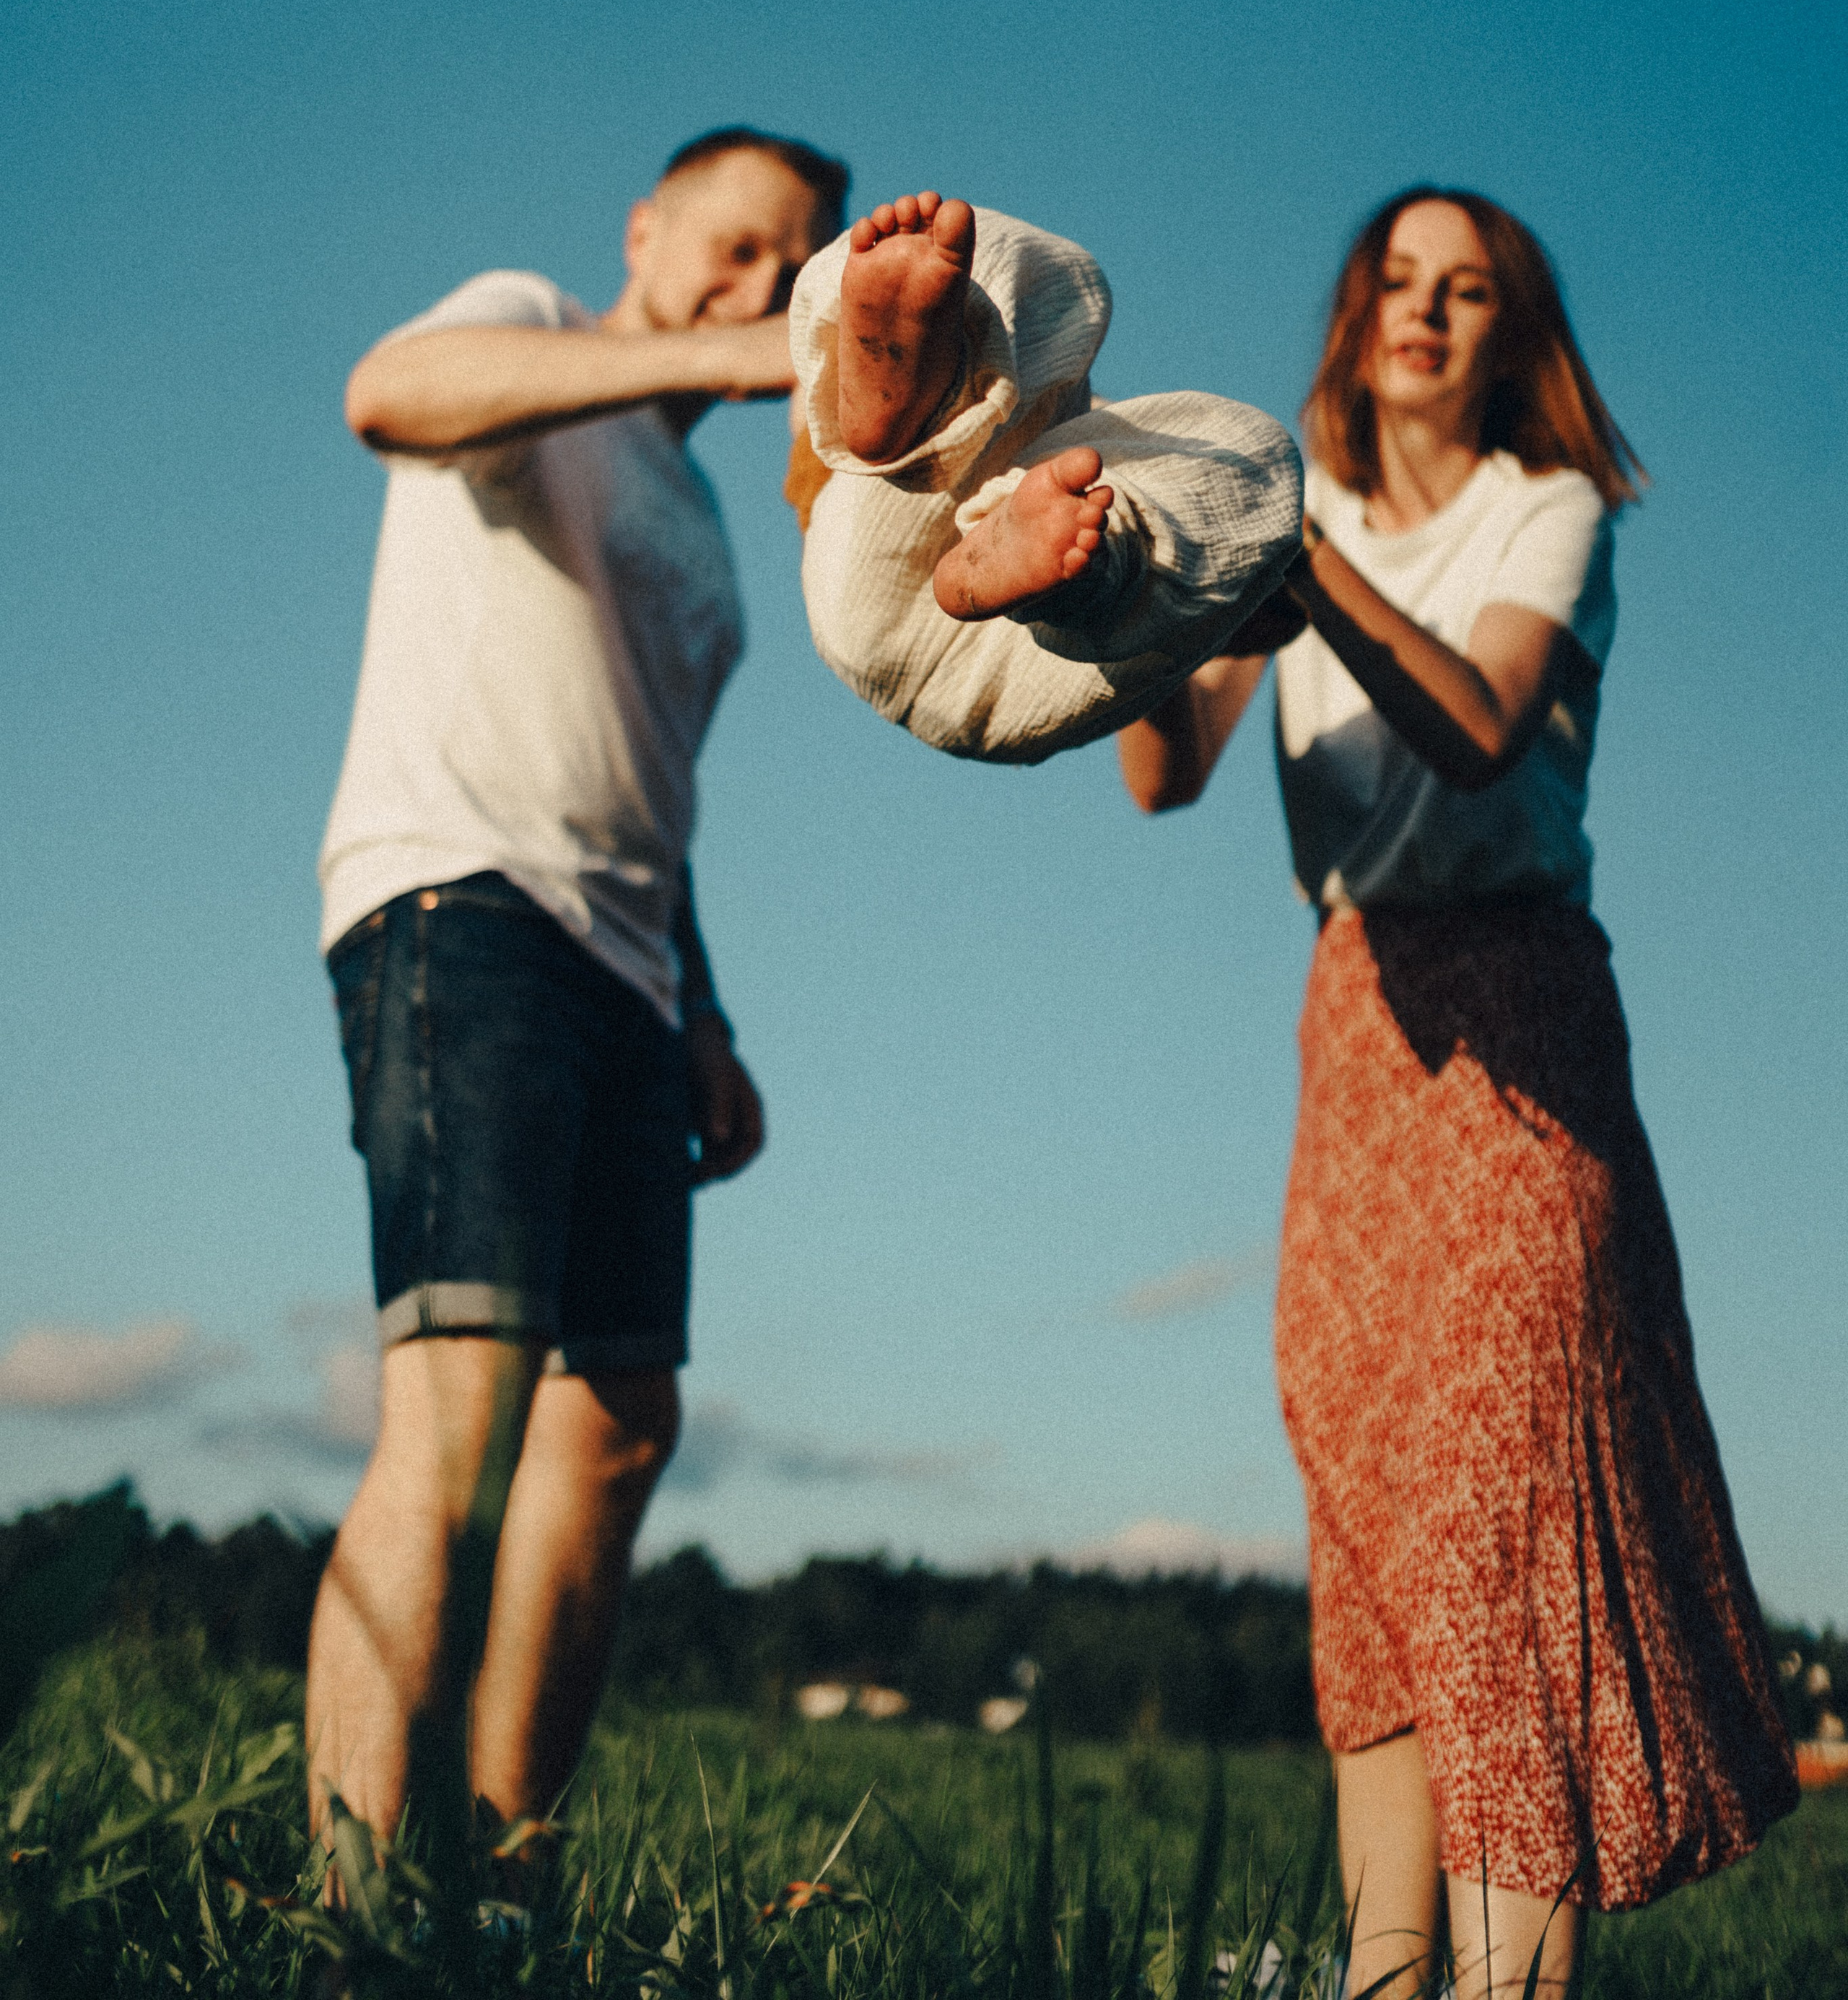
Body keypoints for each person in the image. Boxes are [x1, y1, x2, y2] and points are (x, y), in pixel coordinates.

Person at [1118, 191, 1797, 1996]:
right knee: (1365, 1519)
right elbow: (1157, 773)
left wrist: (1284, 562)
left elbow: (1479, 722)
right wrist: (1130, 591)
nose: (1423, 313)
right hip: (1348, 1022)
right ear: (1352, 319)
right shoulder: (1295, 525)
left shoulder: (1544, 510)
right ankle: (1382, 1978)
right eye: (1394, 284)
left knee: (1495, 1509)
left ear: (1509, 335)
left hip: (1521, 1011)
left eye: (1464, 289)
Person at [306, 126, 847, 1876]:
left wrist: (710, 1012)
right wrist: (715, 350)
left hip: (630, 968)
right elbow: (385, 391)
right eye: (736, 245)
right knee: (461, 1394)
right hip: (461, 901)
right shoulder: (530, 321)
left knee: (616, 1423)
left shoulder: (705, 521)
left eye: (795, 270)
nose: (762, 290)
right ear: (645, 228)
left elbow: (648, 787)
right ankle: (357, 1910)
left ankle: (498, 1871)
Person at [785, 192, 1304, 756]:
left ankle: (1084, 567)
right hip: (997, 679)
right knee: (1259, 465)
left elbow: (1163, 783)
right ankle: (1092, 567)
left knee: (1060, 290)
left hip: (888, 585)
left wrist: (1185, 621)